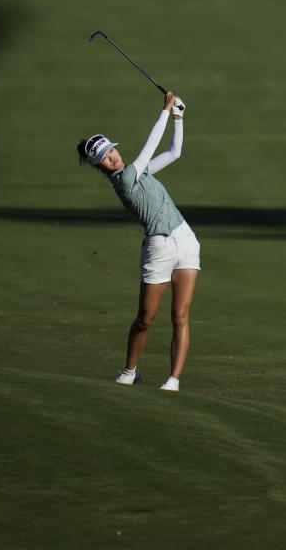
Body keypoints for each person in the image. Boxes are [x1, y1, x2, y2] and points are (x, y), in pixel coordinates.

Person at [76, 91, 199, 392]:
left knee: (180, 316)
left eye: (112, 150)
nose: (112, 156)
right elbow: (150, 146)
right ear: (99, 166)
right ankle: (130, 371)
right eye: (105, 157)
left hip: (185, 240)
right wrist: (165, 111)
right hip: (158, 248)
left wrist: (179, 117)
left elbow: (173, 153)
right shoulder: (125, 180)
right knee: (145, 318)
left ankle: (173, 381)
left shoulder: (137, 170)